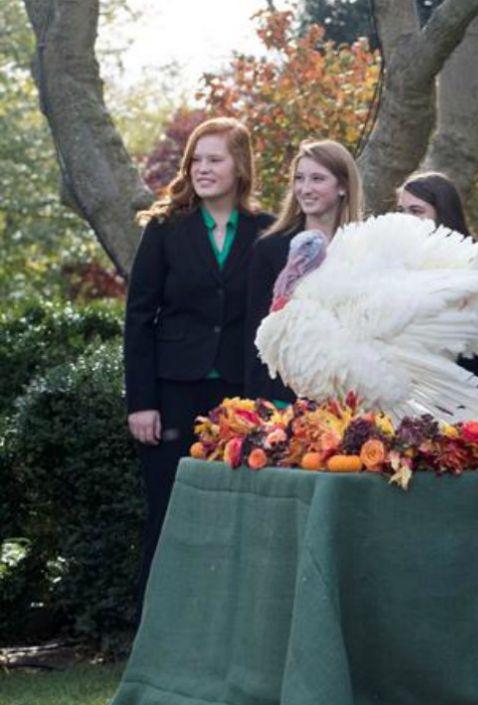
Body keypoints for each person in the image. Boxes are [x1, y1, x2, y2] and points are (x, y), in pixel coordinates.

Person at [124, 117, 274, 602]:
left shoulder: (266, 231)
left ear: (240, 166)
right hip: (172, 391)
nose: (202, 168)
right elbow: (139, 318)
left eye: (215, 159)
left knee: (235, 513)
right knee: (168, 511)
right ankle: (153, 630)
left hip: (238, 391)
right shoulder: (165, 229)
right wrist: (141, 402)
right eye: (196, 159)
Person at [245, 139, 364, 404]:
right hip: (283, 397)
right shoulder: (270, 248)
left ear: (343, 186)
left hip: (350, 396)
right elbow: (255, 332)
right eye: (299, 179)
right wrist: (257, 404)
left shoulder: (363, 247)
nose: (305, 188)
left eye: (317, 179)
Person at [397, 171, 474, 237]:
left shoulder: (466, 253)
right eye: (401, 211)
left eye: (416, 211)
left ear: (443, 213)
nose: (405, 217)